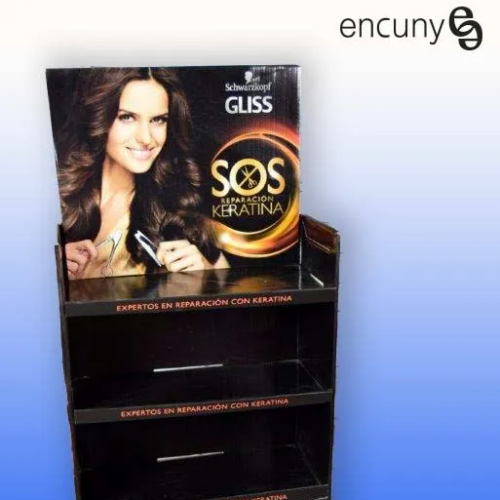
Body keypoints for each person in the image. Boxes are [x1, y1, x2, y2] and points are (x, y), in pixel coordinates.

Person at [54, 67, 228, 279]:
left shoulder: (174, 209)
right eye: (127, 117)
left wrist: (206, 276)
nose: (146, 138)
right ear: (98, 116)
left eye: (158, 120)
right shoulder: (55, 195)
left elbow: (230, 285)